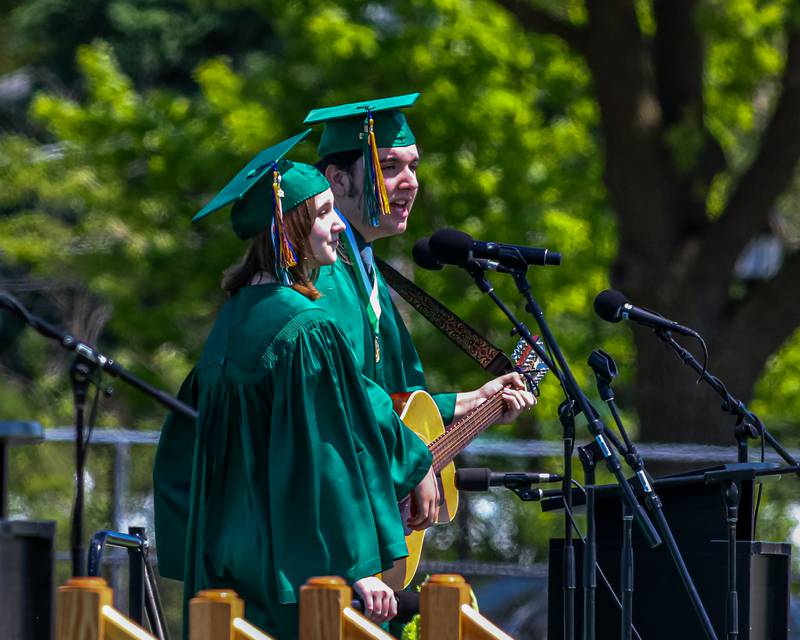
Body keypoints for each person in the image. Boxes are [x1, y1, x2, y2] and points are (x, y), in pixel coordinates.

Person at [153, 132, 440, 638]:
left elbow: (181, 457)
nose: (336, 226)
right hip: (290, 564)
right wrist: (358, 566)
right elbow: (327, 455)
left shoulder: (231, 323)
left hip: (228, 561)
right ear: (291, 228)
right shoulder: (305, 329)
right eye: (326, 212)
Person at [303, 94, 535, 432]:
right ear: (338, 180)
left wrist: (472, 401)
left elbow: (396, 403)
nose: (410, 182)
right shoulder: (324, 276)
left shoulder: (363, 266)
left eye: (414, 166)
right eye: (389, 167)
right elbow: (345, 404)